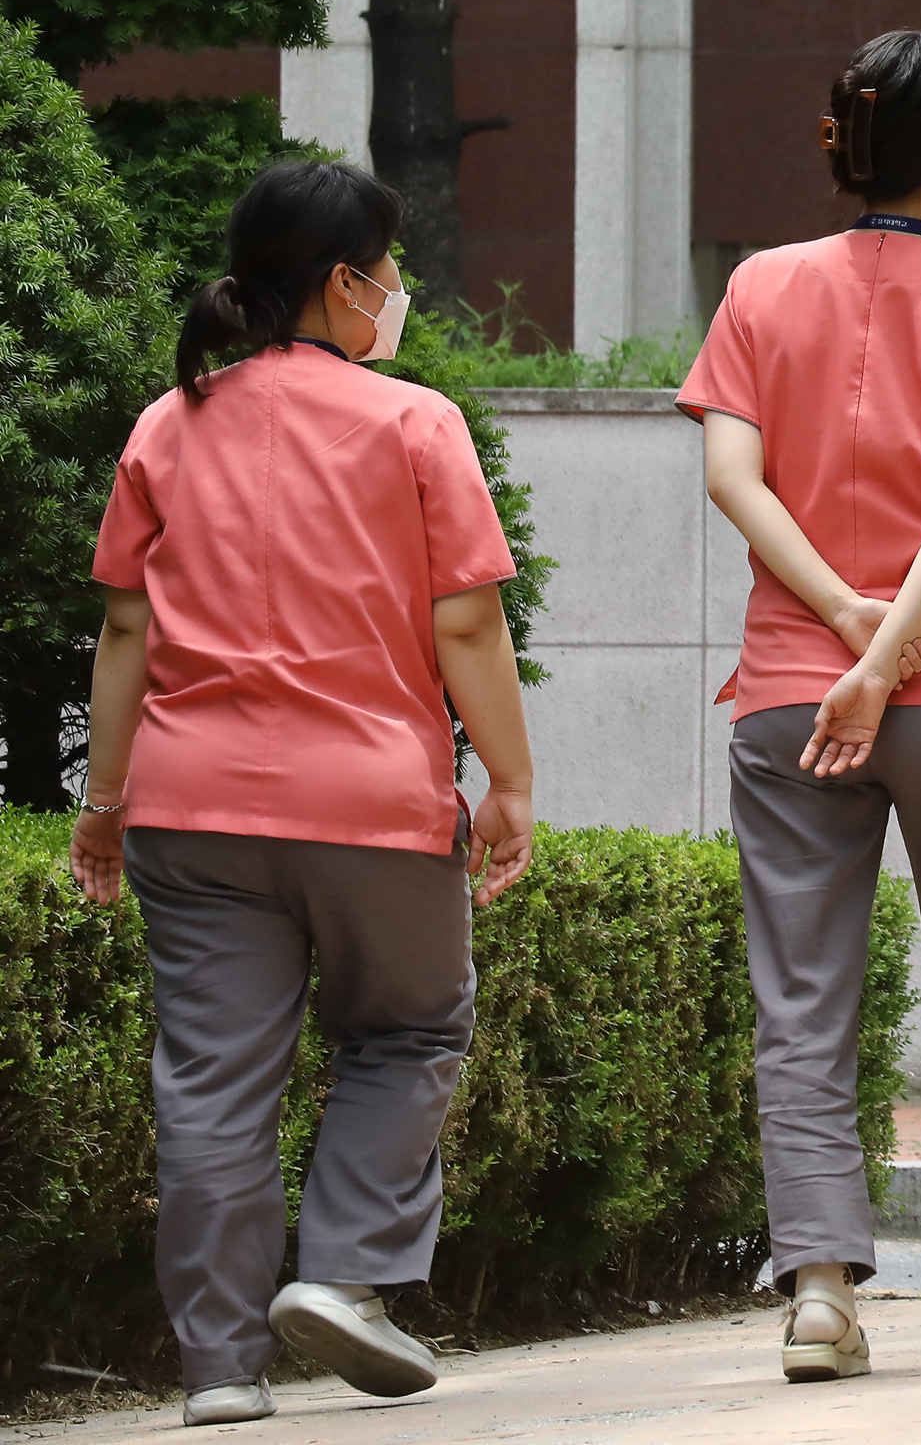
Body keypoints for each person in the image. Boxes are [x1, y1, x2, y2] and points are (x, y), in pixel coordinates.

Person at [69, 161, 536, 1426]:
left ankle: (219, 1369)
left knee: (214, 1081)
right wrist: (507, 777)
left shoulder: (170, 422)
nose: (399, 292)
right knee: (410, 1029)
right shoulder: (413, 422)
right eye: (388, 270)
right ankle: (343, 1274)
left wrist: (102, 804)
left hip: (188, 806)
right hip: (370, 803)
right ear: (343, 283)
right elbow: (470, 626)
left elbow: (125, 634)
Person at [678, 28, 921, 1383]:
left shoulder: (755, 288)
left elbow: (736, 481)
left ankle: (818, 1295)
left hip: (789, 696)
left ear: (847, 149)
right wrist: (894, 649)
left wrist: (843, 630)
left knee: (801, 998)